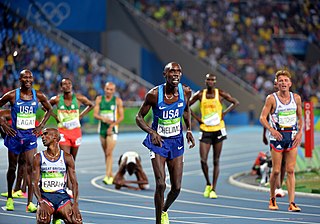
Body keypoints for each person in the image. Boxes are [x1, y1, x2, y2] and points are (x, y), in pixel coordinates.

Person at [136, 62, 195, 224]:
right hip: (159, 142)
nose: (176, 74)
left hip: (176, 141)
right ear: (165, 74)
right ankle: (157, 221)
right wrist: (151, 132)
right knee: (161, 184)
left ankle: (163, 210)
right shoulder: (154, 95)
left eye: (178, 71)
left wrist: (189, 129)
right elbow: (138, 117)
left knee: (176, 188)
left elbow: (186, 109)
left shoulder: (186, 92)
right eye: (172, 71)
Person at [0, 69, 53, 212]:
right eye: (25, 77)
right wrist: (3, 124)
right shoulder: (12, 95)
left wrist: (40, 126)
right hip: (15, 136)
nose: (28, 79)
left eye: (30, 77)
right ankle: (10, 198)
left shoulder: (39, 95)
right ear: (20, 79)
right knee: (12, 168)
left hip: (30, 137)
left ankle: (30, 203)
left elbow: (49, 109)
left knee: (31, 168)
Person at [189, 73, 239, 199]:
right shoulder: (200, 94)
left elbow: (235, 102)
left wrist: (224, 113)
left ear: (215, 82)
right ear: (205, 81)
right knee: (203, 160)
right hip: (205, 129)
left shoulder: (220, 93)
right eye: (208, 80)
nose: (210, 82)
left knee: (216, 160)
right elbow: (186, 106)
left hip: (218, 129)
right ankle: (208, 183)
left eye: (212, 80)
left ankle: (213, 189)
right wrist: (197, 119)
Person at [260, 70, 303, 212]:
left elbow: (300, 117)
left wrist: (300, 133)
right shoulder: (271, 99)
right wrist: (271, 130)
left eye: (286, 80)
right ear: (277, 84)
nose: (283, 83)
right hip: (277, 137)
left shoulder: (296, 98)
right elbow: (262, 117)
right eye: (281, 81)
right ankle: (272, 198)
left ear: (290, 83)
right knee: (277, 171)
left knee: (290, 170)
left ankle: (292, 203)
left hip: (291, 136)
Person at [47, 78, 93, 193]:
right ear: (61, 87)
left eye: (68, 84)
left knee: (72, 160)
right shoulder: (56, 99)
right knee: (65, 158)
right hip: (63, 132)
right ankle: (67, 187)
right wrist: (55, 116)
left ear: (71, 85)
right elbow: (45, 106)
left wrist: (81, 116)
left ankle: (69, 184)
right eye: (64, 84)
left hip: (76, 132)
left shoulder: (78, 98)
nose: (66, 86)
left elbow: (90, 105)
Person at [33, 128, 82, 224]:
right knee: (42, 220)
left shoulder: (67, 157)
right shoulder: (38, 157)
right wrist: (40, 202)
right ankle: (55, 214)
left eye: (45, 134)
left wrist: (75, 204)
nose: (42, 137)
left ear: (55, 137)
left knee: (77, 221)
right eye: (42, 135)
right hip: (46, 198)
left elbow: (74, 183)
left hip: (62, 198)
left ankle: (57, 215)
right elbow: (34, 183)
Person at [93, 82, 124, 185]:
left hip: (112, 129)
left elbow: (121, 117)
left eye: (111, 89)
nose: (108, 91)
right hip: (102, 128)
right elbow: (95, 114)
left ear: (114, 91)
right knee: (106, 153)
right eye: (107, 89)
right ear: (104, 89)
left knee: (109, 152)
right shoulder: (99, 99)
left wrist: (112, 125)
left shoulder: (117, 101)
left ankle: (107, 176)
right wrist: (103, 119)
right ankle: (110, 174)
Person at [262, 78, 286, 198]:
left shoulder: (288, 99)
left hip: (287, 135)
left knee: (284, 164)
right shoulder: (271, 99)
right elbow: (265, 118)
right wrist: (264, 134)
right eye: (276, 83)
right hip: (275, 136)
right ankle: (278, 187)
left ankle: (279, 185)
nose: (278, 85)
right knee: (276, 165)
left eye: (280, 83)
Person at [0, 109, 27, 199]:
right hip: (14, 140)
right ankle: (15, 190)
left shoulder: (29, 111)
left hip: (26, 138)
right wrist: (4, 125)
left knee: (24, 162)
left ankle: (21, 190)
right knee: (13, 166)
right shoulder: (7, 112)